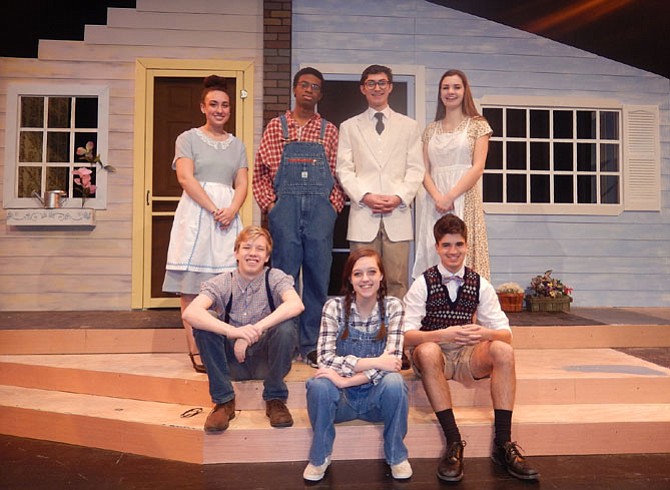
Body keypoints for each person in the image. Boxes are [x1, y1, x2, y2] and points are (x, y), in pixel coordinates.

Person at [403, 214, 539, 482]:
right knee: (428, 350)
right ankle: (453, 443)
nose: (453, 251)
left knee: (503, 350)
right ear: (437, 248)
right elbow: (406, 337)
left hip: (467, 355)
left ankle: (503, 444)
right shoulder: (423, 283)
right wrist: (442, 334)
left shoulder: (480, 284)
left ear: (466, 246)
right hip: (434, 356)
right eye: (447, 245)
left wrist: (485, 332)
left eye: (458, 244)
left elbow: (506, 334)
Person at [253, 67, 345, 368]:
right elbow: (260, 174)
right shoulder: (275, 127)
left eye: (315, 87)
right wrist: (273, 206)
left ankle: (311, 345)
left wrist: (332, 207)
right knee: (284, 278)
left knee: (318, 279)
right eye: (304, 85)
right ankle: (285, 343)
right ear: (294, 89)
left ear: (320, 94)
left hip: (320, 211)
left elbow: (338, 175)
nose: (309, 90)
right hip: (285, 211)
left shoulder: (329, 131)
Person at [163, 75, 248, 373]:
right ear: (203, 107)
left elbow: (242, 183)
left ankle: (222, 345)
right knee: (191, 289)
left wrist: (232, 209)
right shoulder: (187, 138)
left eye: (225, 105)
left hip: (226, 218)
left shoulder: (237, 145)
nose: (220, 110)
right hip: (199, 214)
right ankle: (196, 349)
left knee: (224, 288)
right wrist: (214, 209)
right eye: (213, 104)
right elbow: (185, 178)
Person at [303, 248, 411, 482]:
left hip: (376, 401)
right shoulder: (333, 308)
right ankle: (320, 457)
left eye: (372, 272)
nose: (365, 279)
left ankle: (396, 456)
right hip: (340, 401)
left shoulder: (394, 307)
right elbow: (324, 358)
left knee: (395, 382)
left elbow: (392, 363)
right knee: (319, 385)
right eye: (358, 273)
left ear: (381, 276)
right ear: (350, 279)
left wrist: (347, 379)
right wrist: (375, 362)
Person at [182, 226, 303, 431]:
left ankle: (275, 399)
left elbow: (296, 304)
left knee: (286, 325)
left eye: (260, 249)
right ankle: (224, 401)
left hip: (267, 361)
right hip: (231, 363)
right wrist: (234, 332)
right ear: (236, 253)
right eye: (247, 247)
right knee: (204, 322)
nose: (253, 253)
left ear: (266, 257)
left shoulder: (275, 277)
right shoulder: (222, 281)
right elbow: (190, 313)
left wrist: (252, 331)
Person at [336, 64, 424, 299]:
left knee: (396, 281)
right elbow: (344, 169)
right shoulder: (349, 127)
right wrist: (365, 196)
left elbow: (416, 169)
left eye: (382, 83)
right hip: (364, 214)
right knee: (362, 280)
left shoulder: (409, 126)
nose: (377, 88)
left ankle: (396, 332)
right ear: (363, 88)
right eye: (371, 83)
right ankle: (363, 331)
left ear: (390, 87)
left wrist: (398, 197)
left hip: (398, 215)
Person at [412, 69, 491, 280]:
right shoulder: (430, 129)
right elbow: (423, 169)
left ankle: (469, 308)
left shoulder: (478, 125)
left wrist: (450, 196)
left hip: (464, 197)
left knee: (464, 251)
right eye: (445, 87)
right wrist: (439, 197)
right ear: (440, 93)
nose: (451, 92)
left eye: (456, 87)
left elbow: (477, 167)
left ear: (465, 91)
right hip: (435, 201)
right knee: (436, 249)